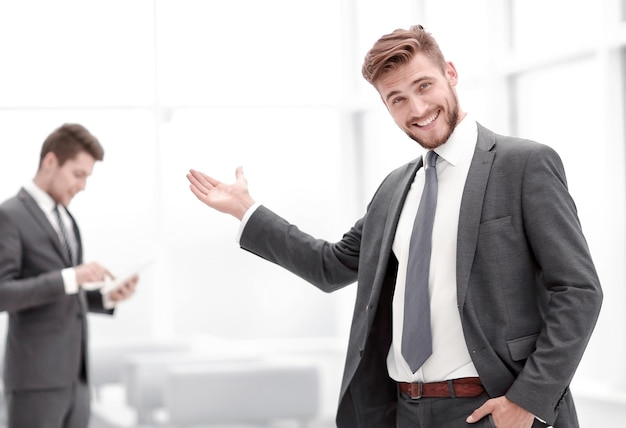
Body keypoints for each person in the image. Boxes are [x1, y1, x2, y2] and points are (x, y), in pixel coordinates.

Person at [186, 25, 602, 428]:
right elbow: (331, 266)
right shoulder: (395, 189)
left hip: (492, 410)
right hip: (404, 410)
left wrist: (525, 400)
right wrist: (246, 211)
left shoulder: (523, 165)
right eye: (397, 99)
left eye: (424, 86)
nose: (417, 109)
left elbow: (579, 290)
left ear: (450, 74)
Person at [0, 123, 139, 428]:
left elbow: (62, 295)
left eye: (87, 177)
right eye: (78, 174)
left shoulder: (67, 217)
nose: (83, 186)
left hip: (77, 381)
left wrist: (105, 296)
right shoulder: (9, 215)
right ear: (50, 161)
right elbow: (3, 293)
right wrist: (70, 277)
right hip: (35, 383)